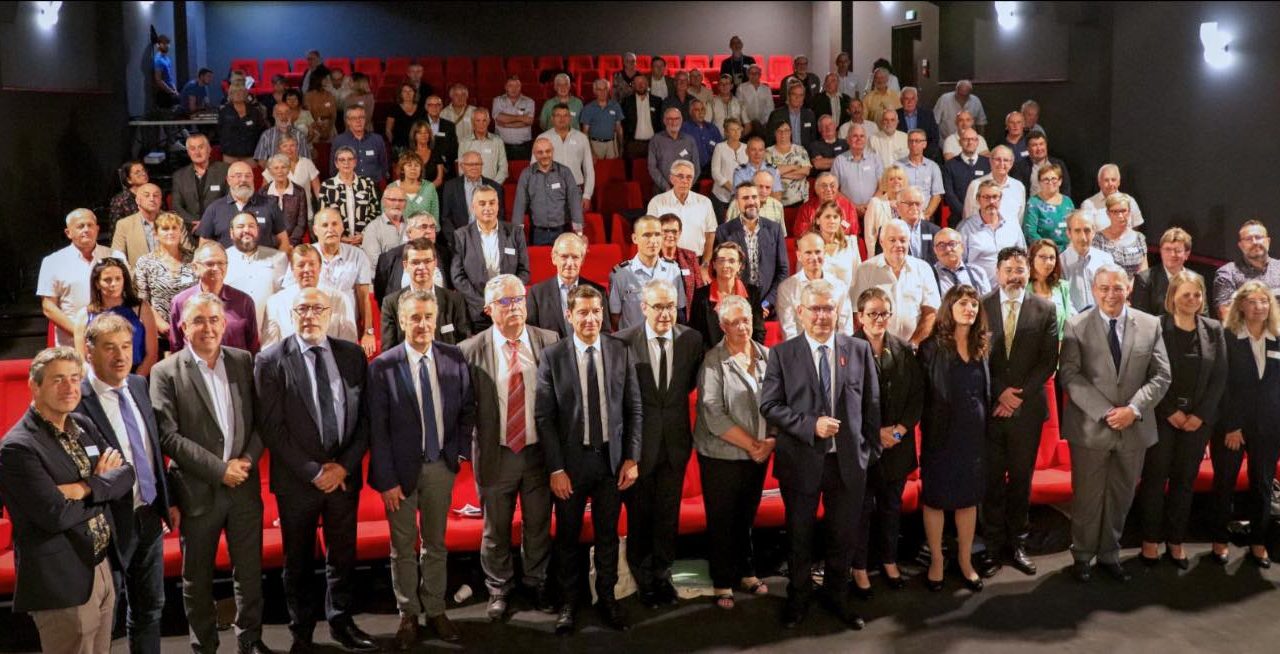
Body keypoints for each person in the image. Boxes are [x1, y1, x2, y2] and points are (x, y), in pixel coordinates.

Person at [254, 288, 377, 652]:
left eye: (317, 309)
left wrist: (342, 468)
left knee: (342, 555)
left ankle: (341, 622)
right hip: (297, 481)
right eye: (302, 309)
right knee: (299, 561)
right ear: (291, 315)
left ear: (330, 313)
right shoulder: (270, 360)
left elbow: (365, 420)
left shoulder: (352, 355)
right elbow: (271, 428)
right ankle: (302, 632)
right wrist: (314, 471)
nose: (310, 316)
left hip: (343, 478)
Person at [151, 293, 269, 654]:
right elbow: (167, 436)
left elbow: (262, 423)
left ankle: (250, 639)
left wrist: (245, 462)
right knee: (196, 578)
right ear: (183, 327)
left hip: (244, 488)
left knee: (249, 573)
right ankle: (204, 644)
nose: (208, 327)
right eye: (198, 321)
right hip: (198, 490)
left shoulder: (244, 361)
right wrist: (220, 471)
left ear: (224, 324)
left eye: (214, 320)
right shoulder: (165, 371)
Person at [759, 278, 879, 630]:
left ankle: (836, 598)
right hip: (801, 461)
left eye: (829, 308)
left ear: (838, 311)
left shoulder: (857, 350)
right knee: (800, 536)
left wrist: (867, 452)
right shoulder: (782, 353)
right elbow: (770, 405)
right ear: (800, 312)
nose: (823, 315)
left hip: (847, 464)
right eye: (815, 308)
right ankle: (798, 600)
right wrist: (810, 425)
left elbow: (871, 405)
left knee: (843, 536)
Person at [0, 348, 135, 654]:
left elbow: (126, 474)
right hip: (61, 580)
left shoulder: (81, 424)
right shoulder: (17, 448)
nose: (70, 388)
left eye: (75, 379)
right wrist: (102, 486)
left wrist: (84, 488)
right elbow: (56, 515)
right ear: (35, 386)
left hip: (101, 566)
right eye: (58, 380)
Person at [368, 289, 475, 647]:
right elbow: (377, 430)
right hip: (399, 476)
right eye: (414, 318)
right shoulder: (383, 366)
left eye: (428, 317)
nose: (423, 325)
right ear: (401, 321)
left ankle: (436, 609)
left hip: (441, 468)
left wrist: (458, 455)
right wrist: (385, 480)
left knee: (436, 544)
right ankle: (408, 614)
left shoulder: (453, 357)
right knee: (402, 547)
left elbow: (465, 411)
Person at [535, 285, 643, 634]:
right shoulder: (553, 356)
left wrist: (631, 458)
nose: (591, 318)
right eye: (583, 312)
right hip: (571, 464)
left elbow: (634, 409)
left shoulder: (619, 350)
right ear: (569, 316)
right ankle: (568, 603)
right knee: (567, 536)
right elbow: (545, 418)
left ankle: (608, 598)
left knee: (608, 535)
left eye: (596, 311)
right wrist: (555, 468)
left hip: (611, 463)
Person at [1059, 264, 1171, 583]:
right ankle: (1082, 555)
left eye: (1117, 287)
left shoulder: (1151, 326)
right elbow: (1070, 375)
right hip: (1091, 428)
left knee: (1122, 495)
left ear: (1129, 288)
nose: (1111, 294)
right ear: (1094, 290)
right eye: (1104, 288)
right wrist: (1107, 412)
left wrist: (1133, 409)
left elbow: (1162, 375)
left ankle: (1110, 553)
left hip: (1134, 427)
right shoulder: (1076, 325)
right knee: (1087, 496)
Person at [457, 275, 559, 621]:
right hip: (496, 452)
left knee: (538, 524)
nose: (514, 307)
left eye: (518, 299)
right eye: (504, 302)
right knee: (495, 528)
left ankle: (537, 581)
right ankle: (499, 588)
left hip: (538, 452)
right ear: (488, 310)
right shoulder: (470, 350)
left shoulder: (548, 341)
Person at [76, 315, 173, 654]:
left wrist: (164, 500)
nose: (120, 355)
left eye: (126, 347)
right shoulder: (75, 400)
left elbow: (153, 448)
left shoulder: (138, 385)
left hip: (146, 515)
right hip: (103, 525)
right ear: (89, 352)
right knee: (104, 619)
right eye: (109, 348)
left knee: (150, 609)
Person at [617, 279, 705, 608]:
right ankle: (644, 579)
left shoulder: (692, 340)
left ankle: (663, 574)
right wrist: (628, 454)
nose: (666, 313)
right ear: (643, 308)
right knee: (640, 514)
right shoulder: (623, 342)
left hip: (676, 444)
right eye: (658, 307)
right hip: (640, 448)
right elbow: (620, 403)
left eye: (670, 306)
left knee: (668, 514)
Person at [973, 248, 1059, 577]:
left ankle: (1018, 544)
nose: (1014, 275)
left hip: (1028, 410)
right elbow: (975, 355)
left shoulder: (1046, 308)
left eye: (1020, 269)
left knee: (1022, 481)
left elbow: (1048, 360)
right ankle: (992, 548)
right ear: (997, 272)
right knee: (991, 482)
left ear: (1029, 272)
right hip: (991, 408)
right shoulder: (980, 306)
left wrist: (1018, 397)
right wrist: (1000, 393)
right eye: (1008, 269)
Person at [1134, 271, 1224, 569]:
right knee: (1154, 480)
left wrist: (1200, 416)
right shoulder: (1156, 326)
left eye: (1197, 295)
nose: (1192, 300)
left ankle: (1175, 541)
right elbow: (1147, 372)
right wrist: (1169, 410)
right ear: (1172, 296)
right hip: (1162, 416)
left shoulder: (1214, 329)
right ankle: (1149, 541)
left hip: (1198, 422)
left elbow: (1219, 378)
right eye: (1185, 294)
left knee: (1185, 483)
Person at [694, 295, 774, 609]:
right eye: (735, 322)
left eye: (747, 320)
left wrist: (770, 442)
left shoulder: (767, 355)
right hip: (721, 454)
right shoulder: (714, 361)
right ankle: (723, 580)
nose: (743, 327)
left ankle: (747, 572)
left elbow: (779, 405)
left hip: (758, 453)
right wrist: (752, 444)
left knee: (746, 516)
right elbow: (713, 413)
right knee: (723, 518)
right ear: (723, 326)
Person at [918, 285, 991, 592]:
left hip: (973, 439)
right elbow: (922, 394)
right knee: (935, 500)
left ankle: (964, 560)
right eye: (963, 303)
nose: (969, 309)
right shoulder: (931, 347)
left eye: (974, 304)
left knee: (968, 501)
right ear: (950, 307)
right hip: (941, 437)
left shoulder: (983, 345)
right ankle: (936, 560)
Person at [850, 287, 922, 597]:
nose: (879, 319)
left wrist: (902, 429)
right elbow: (845, 401)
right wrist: (875, 432)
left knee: (892, 506)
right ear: (860, 317)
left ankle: (890, 560)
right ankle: (860, 566)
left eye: (884, 313)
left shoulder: (903, 349)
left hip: (897, 443)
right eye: (872, 314)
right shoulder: (848, 350)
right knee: (863, 509)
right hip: (863, 445)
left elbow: (917, 394)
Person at [1211, 281, 1280, 568]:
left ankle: (1258, 541)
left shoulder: (1277, 337)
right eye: (1252, 301)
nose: (1259, 306)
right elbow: (1221, 386)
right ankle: (1219, 539)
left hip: (1268, 427)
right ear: (1241, 305)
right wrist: (1231, 426)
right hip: (1232, 427)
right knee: (1224, 483)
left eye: (1264, 301)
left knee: (1263, 485)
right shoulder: (1226, 336)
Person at [38, 209, 126, 347]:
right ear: (68, 233)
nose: (86, 230)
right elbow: (48, 306)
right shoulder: (52, 261)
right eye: (80, 226)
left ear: (97, 229)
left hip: (114, 341)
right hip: (71, 344)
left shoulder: (116, 257)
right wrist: (82, 334)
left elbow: (128, 295)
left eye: (90, 225)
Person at [450, 186, 531, 328]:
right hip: (477, 312)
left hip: (510, 309)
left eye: (492, 203)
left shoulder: (515, 232)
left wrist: (506, 299)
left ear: (498, 205)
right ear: (473, 207)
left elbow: (524, 271)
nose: (488, 207)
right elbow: (458, 277)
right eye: (482, 204)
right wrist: (485, 303)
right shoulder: (461, 235)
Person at [852, 219, 942, 346]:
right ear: (882, 242)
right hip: (876, 350)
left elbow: (931, 313)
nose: (898, 245)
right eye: (892, 240)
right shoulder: (865, 270)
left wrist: (913, 345)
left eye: (903, 240)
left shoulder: (923, 269)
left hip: (917, 350)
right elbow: (858, 314)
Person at [304, 209, 377, 357]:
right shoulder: (305, 255)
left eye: (335, 224)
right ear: (315, 230)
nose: (330, 229)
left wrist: (368, 332)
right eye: (325, 225)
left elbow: (364, 297)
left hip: (347, 326)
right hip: (314, 327)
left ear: (342, 228)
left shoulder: (358, 255)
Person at [72, 259, 159, 376]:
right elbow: (82, 360)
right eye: (107, 280)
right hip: (99, 379)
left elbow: (152, 354)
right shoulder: (84, 315)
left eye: (118, 279)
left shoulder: (141, 308)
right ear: (97, 283)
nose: (113, 284)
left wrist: (134, 382)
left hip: (137, 375)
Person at [169, 242, 260, 354]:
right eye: (210, 264)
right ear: (195, 267)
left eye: (221, 263)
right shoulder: (180, 302)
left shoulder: (244, 301)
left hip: (234, 369)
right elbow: (176, 346)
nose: (216, 268)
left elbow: (253, 346)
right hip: (195, 370)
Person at [380, 238, 470, 350]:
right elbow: (389, 350)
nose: (422, 267)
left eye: (427, 261)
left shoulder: (455, 300)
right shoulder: (391, 303)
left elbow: (464, 345)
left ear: (435, 263)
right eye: (415, 262)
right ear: (405, 266)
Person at [261, 244, 358, 348]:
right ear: (292, 270)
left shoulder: (341, 299)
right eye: (301, 265)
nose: (307, 270)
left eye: (312, 264)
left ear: (320, 267)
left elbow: (349, 345)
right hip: (291, 362)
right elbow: (269, 349)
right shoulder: (275, 302)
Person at [715, 182, 789, 315]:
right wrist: (737, 301)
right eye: (745, 198)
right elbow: (721, 272)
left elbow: (783, 271)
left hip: (768, 307)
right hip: (735, 305)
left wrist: (767, 303)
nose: (751, 202)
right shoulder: (724, 231)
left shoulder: (774, 229)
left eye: (754, 197)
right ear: (737, 202)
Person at [609, 215, 687, 330]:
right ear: (635, 238)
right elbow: (615, 317)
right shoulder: (621, 274)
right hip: (633, 343)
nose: (653, 241)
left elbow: (679, 309)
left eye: (657, 234)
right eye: (647, 235)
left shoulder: (673, 270)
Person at [135, 213, 198, 351]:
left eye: (174, 228)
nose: (170, 232)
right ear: (156, 234)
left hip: (193, 329)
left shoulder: (194, 259)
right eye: (165, 228)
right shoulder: (145, 262)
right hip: (160, 334)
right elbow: (142, 300)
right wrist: (161, 325)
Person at [526, 233, 607, 337]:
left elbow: (604, 334)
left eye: (575, 257)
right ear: (554, 258)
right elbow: (532, 334)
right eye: (564, 256)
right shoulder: (537, 293)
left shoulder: (599, 292)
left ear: (582, 260)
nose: (570, 263)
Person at [197, 161, 290, 251]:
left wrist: (278, 263)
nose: (243, 180)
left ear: (253, 178)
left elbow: (284, 241)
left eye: (248, 176)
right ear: (228, 180)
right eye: (238, 176)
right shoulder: (214, 208)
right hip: (229, 266)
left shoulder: (269, 205)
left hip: (263, 264)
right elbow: (204, 245)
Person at [690, 242, 766, 348]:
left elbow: (759, 331)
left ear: (740, 265)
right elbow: (697, 335)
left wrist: (750, 354)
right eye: (721, 260)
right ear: (714, 265)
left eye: (731, 261)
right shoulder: (701, 296)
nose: (726, 265)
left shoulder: (752, 293)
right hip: (712, 358)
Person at [778, 233, 854, 339]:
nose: (814, 257)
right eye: (808, 253)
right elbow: (789, 331)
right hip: (801, 350)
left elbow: (845, 328)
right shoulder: (787, 288)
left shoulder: (839, 286)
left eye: (818, 252)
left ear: (824, 253)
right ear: (799, 256)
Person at [224, 213, 288, 331]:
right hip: (232, 333)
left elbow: (285, 297)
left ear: (258, 230)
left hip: (269, 332)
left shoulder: (279, 258)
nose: (246, 230)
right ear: (231, 233)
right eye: (240, 226)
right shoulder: (222, 258)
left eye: (251, 226)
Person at [516, 137, 585, 246]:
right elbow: (519, 204)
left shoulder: (565, 172)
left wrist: (579, 232)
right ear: (534, 154)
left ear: (553, 151)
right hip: (538, 232)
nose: (545, 155)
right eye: (540, 152)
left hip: (562, 231)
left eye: (548, 151)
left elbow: (574, 201)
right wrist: (517, 234)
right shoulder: (526, 174)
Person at [648, 159, 716, 267]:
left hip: (696, 263)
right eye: (680, 176)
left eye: (689, 177)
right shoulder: (657, 202)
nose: (685, 181)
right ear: (671, 179)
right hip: (664, 263)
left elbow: (710, 236)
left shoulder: (705, 203)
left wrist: (705, 266)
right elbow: (650, 236)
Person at [959, 180, 1028, 281]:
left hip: (1009, 289)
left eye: (995, 197)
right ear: (978, 199)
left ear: (1000, 199)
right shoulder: (966, 228)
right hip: (979, 291)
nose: (991, 202)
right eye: (986, 197)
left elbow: (1022, 257)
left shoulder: (1013, 225)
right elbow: (959, 263)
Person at [1212, 220, 1280, 319]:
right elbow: (1226, 315)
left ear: (1268, 241)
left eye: (1259, 237)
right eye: (1248, 239)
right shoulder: (1227, 273)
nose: (1255, 242)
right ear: (1240, 245)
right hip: (1245, 334)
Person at [373, 212, 444, 302]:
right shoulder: (388, 258)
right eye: (423, 227)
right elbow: (381, 296)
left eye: (432, 227)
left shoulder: (446, 255)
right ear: (409, 232)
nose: (429, 231)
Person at [172, 133, 231, 237]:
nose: (197, 152)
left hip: (219, 227)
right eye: (192, 148)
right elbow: (177, 206)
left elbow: (230, 200)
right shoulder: (179, 176)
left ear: (209, 150)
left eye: (201, 147)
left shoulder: (225, 170)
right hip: (191, 230)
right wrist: (195, 222)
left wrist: (208, 223)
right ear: (188, 152)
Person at [541, 103, 597, 210]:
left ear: (570, 118)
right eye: (558, 115)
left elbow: (589, 169)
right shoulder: (542, 139)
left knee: (576, 226)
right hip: (551, 192)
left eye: (565, 115)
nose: (562, 119)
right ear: (552, 118)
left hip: (576, 191)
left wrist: (587, 195)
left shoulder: (582, 138)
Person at [319, 146, 381, 240]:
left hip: (365, 239)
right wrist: (341, 237)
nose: (346, 163)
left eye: (350, 159)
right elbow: (323, 216)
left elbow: (375, 212)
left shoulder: (367, 183)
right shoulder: (327, 186)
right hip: (338, 240)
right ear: (336, 164)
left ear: (355, 162)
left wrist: (364, 235)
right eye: (342, 160)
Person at [439, 151, 506, 236]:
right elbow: (446, 218)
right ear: (462, 166)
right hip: (459, 237)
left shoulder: (495, 187)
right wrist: (456, 239)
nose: (474, 167)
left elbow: (499, 217)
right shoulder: (450, 187)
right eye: (470, 164)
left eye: (478, 164)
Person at [1060, 211, 1116, 312]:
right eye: (1077, 231)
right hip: (1073, 322)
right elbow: (1062, 300)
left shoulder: (1106, 259)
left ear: (1094, 232)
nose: (1083, 237)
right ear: (1068, 233)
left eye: (1087, 230)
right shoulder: (1060, 263)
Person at [1131, 228, 1194, 316]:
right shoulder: (1144, 280)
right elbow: (1141, 319)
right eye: (1167, 249)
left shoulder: (1196, 279)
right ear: (1161, 251)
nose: (1172, 254)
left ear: (1187, 254)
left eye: (1177, 250)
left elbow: (1202, 319)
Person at [831, 124, 884, 221]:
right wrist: (853, 207)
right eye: (855, 136)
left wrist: (870, 206)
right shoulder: (839, 161)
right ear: (847, 140)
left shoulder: (875, 159)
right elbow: (834, 189)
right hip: (847, 212)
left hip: (873, 212)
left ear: (866, 139)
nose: (859, 139)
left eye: (862, 136)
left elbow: (882, 187)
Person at [962, 146, 1025, 224]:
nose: (1002, 163)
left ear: (1011, 163)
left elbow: (1020, 218)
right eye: (998, 159)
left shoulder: (1018, 187)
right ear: (990, 161)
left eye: (1005, 160)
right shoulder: (976, 185)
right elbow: (968, 216)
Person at [1090, 193, 1148, 279]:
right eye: (1115, 212)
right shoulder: (1098, 239)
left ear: (1129, 212)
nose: (1120, 215)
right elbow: (1096, 271)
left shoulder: (1139, 238)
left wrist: (1132, 284)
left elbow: (1144, 270)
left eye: (1123, 211)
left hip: (1135, 288)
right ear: (1108, 213)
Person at [941, 128, 992, 220]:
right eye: (966, 139)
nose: (970, 142)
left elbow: (992, 189)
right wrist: (964, 213)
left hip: (984, 217)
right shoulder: (950, 165)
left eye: (973, 139)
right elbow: (949, 194)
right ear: (960, 142)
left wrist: (982, 213)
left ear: (977, 142)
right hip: (958, 218)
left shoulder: (988, 164)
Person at [1027, 239, 1074, 338]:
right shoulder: (1023, 289)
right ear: (1032, 259)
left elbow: (1069, 321)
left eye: (1052, 258)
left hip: (1060, 348)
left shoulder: (1062, 287)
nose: (1048, 262)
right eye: (1042, 257)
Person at [111, 182, 164, 269]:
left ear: (161, 200)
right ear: (137, 200)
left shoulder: (174, 221)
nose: (152, 199)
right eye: (147, 195)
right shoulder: (124, 225)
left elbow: (187, 253)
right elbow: (117, 258)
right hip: (137, 279)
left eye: (156, 195)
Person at [261, 153, 310, 247]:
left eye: (283, 167)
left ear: (288, 169)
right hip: (270, 244)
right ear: (271, 171)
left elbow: (301, 223)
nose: (280, 171)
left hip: (293, 244)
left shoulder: (299, 191)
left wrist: (290, 244)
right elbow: (263, 222)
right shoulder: (264, 192)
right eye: (276, 168)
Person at [1022, 163, 1074, 251]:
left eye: (1054, 179)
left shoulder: (1067, 201)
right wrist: (1050, 250)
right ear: (1039, 182)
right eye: (1046, 179)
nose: (1050, 182)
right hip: (1044, 252)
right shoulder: (1033, 203)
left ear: (1060, 181)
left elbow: (1074, 226)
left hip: (1068, 251)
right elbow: (1030, 233)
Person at [808, 200, 862, 285]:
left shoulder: (851, 242)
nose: (832, 221)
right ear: (818, 220)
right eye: (827, 217)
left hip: (847, 296)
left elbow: (859, 277)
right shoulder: (809, 245)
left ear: (840, 220)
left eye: (835, 217)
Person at [330, 105, 389, 182]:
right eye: (354, 118)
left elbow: (384, 166)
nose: (358, 121)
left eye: (361, 117)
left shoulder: (377, 139)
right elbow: (333, 169)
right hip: (348, 186)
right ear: (348, 121)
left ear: (365, 119)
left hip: (374, 185)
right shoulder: (339, 141)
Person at [648, 108, 700, 194]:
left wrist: (685, 185)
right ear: (664, 121)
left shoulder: (690, 140)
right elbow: (652, 167)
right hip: (662, 190)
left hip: (685, 189)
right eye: (670, 119)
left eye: (676, 119)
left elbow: (696, 168)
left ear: (681, 120)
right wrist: (666, 187)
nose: (673, 122)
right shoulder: (656, 140)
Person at [659, 214, 710, 301]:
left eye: (674, 231)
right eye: (666, 231)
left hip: (686, 312)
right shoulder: (651, 258)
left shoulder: (690, 257)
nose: (670, 235)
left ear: (680, 233)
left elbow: (699, 290)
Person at [862, 165, 909, 259]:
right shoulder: (875, 203)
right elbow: (869, 235)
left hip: (906, 255)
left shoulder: (910, 203)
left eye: (899, 178)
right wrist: (874, 258)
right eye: (891, 179)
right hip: (881, 256)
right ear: (885, 182)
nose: (896, 182)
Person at [1081, 164, 1146, 231]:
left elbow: (1136, 227)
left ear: (1119, 182)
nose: (1110, 184)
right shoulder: (1088, 204)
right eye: (1106, 180)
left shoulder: (1130, 201)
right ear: (1099, 182)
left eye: (1113, 180)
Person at [387, 152, 441, 230]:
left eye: (417, 165)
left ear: (421, 169)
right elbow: (386, 218)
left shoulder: (429, 188)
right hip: (397, 236)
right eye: (409, 165)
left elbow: (434, 218)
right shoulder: (391, 188)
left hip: (424, 237)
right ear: (402, 169)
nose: (413, 168)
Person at [793, 172, 857, 236]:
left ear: (837, 188)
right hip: (815, 244)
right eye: (824, 186)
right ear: (816, 189)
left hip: (841, 242)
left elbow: (853, 230)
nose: (828, 189)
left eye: (832, 186)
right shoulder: (806, 208)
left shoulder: (848, 206)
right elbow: (799, 231)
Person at [933, 227, 992, 296]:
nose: (948, 249)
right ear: (935, 250)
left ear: (962, 247)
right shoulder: (929, 275)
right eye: (941, 245)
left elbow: (987, 302)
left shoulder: (977, 272)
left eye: (952, 244)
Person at [359, 185, 410, 263]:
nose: (397, 204)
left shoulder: (411, 225)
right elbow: (375, 262)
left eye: (401, 200)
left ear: (405, 203)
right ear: (383, 202)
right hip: (384, 274)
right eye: (392, 200)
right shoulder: (373, 228)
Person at [458, 107, 510, 184]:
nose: (481, 124)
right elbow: (461, 168)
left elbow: (503, 168)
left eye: (484, 120)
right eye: (478, 121)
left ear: (488, 122)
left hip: (492, 187)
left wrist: (493, 185)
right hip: (470, 186)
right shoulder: (464, 142)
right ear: (472, 122)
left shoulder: (498, 141)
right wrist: (470, 185)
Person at [1012, 133, 1072, 198]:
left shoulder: (1058, 164)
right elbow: (1019, 193)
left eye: (1041, 144)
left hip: (1057, 205)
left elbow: (1066, 189)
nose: (1039, 148)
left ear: (1046, 145)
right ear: (1028, 148)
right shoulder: (1020, 167)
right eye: (1034, 145)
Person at [255, 103, 313, 170]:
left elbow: (306, 159)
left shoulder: (299, 135)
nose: (284, 117)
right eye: (280, 113)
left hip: (296, 175)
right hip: (273, 176)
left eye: (287, 113)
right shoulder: (266, 135)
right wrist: (274, 174)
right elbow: (261, 160)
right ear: (274, 115)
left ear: (291, 115)